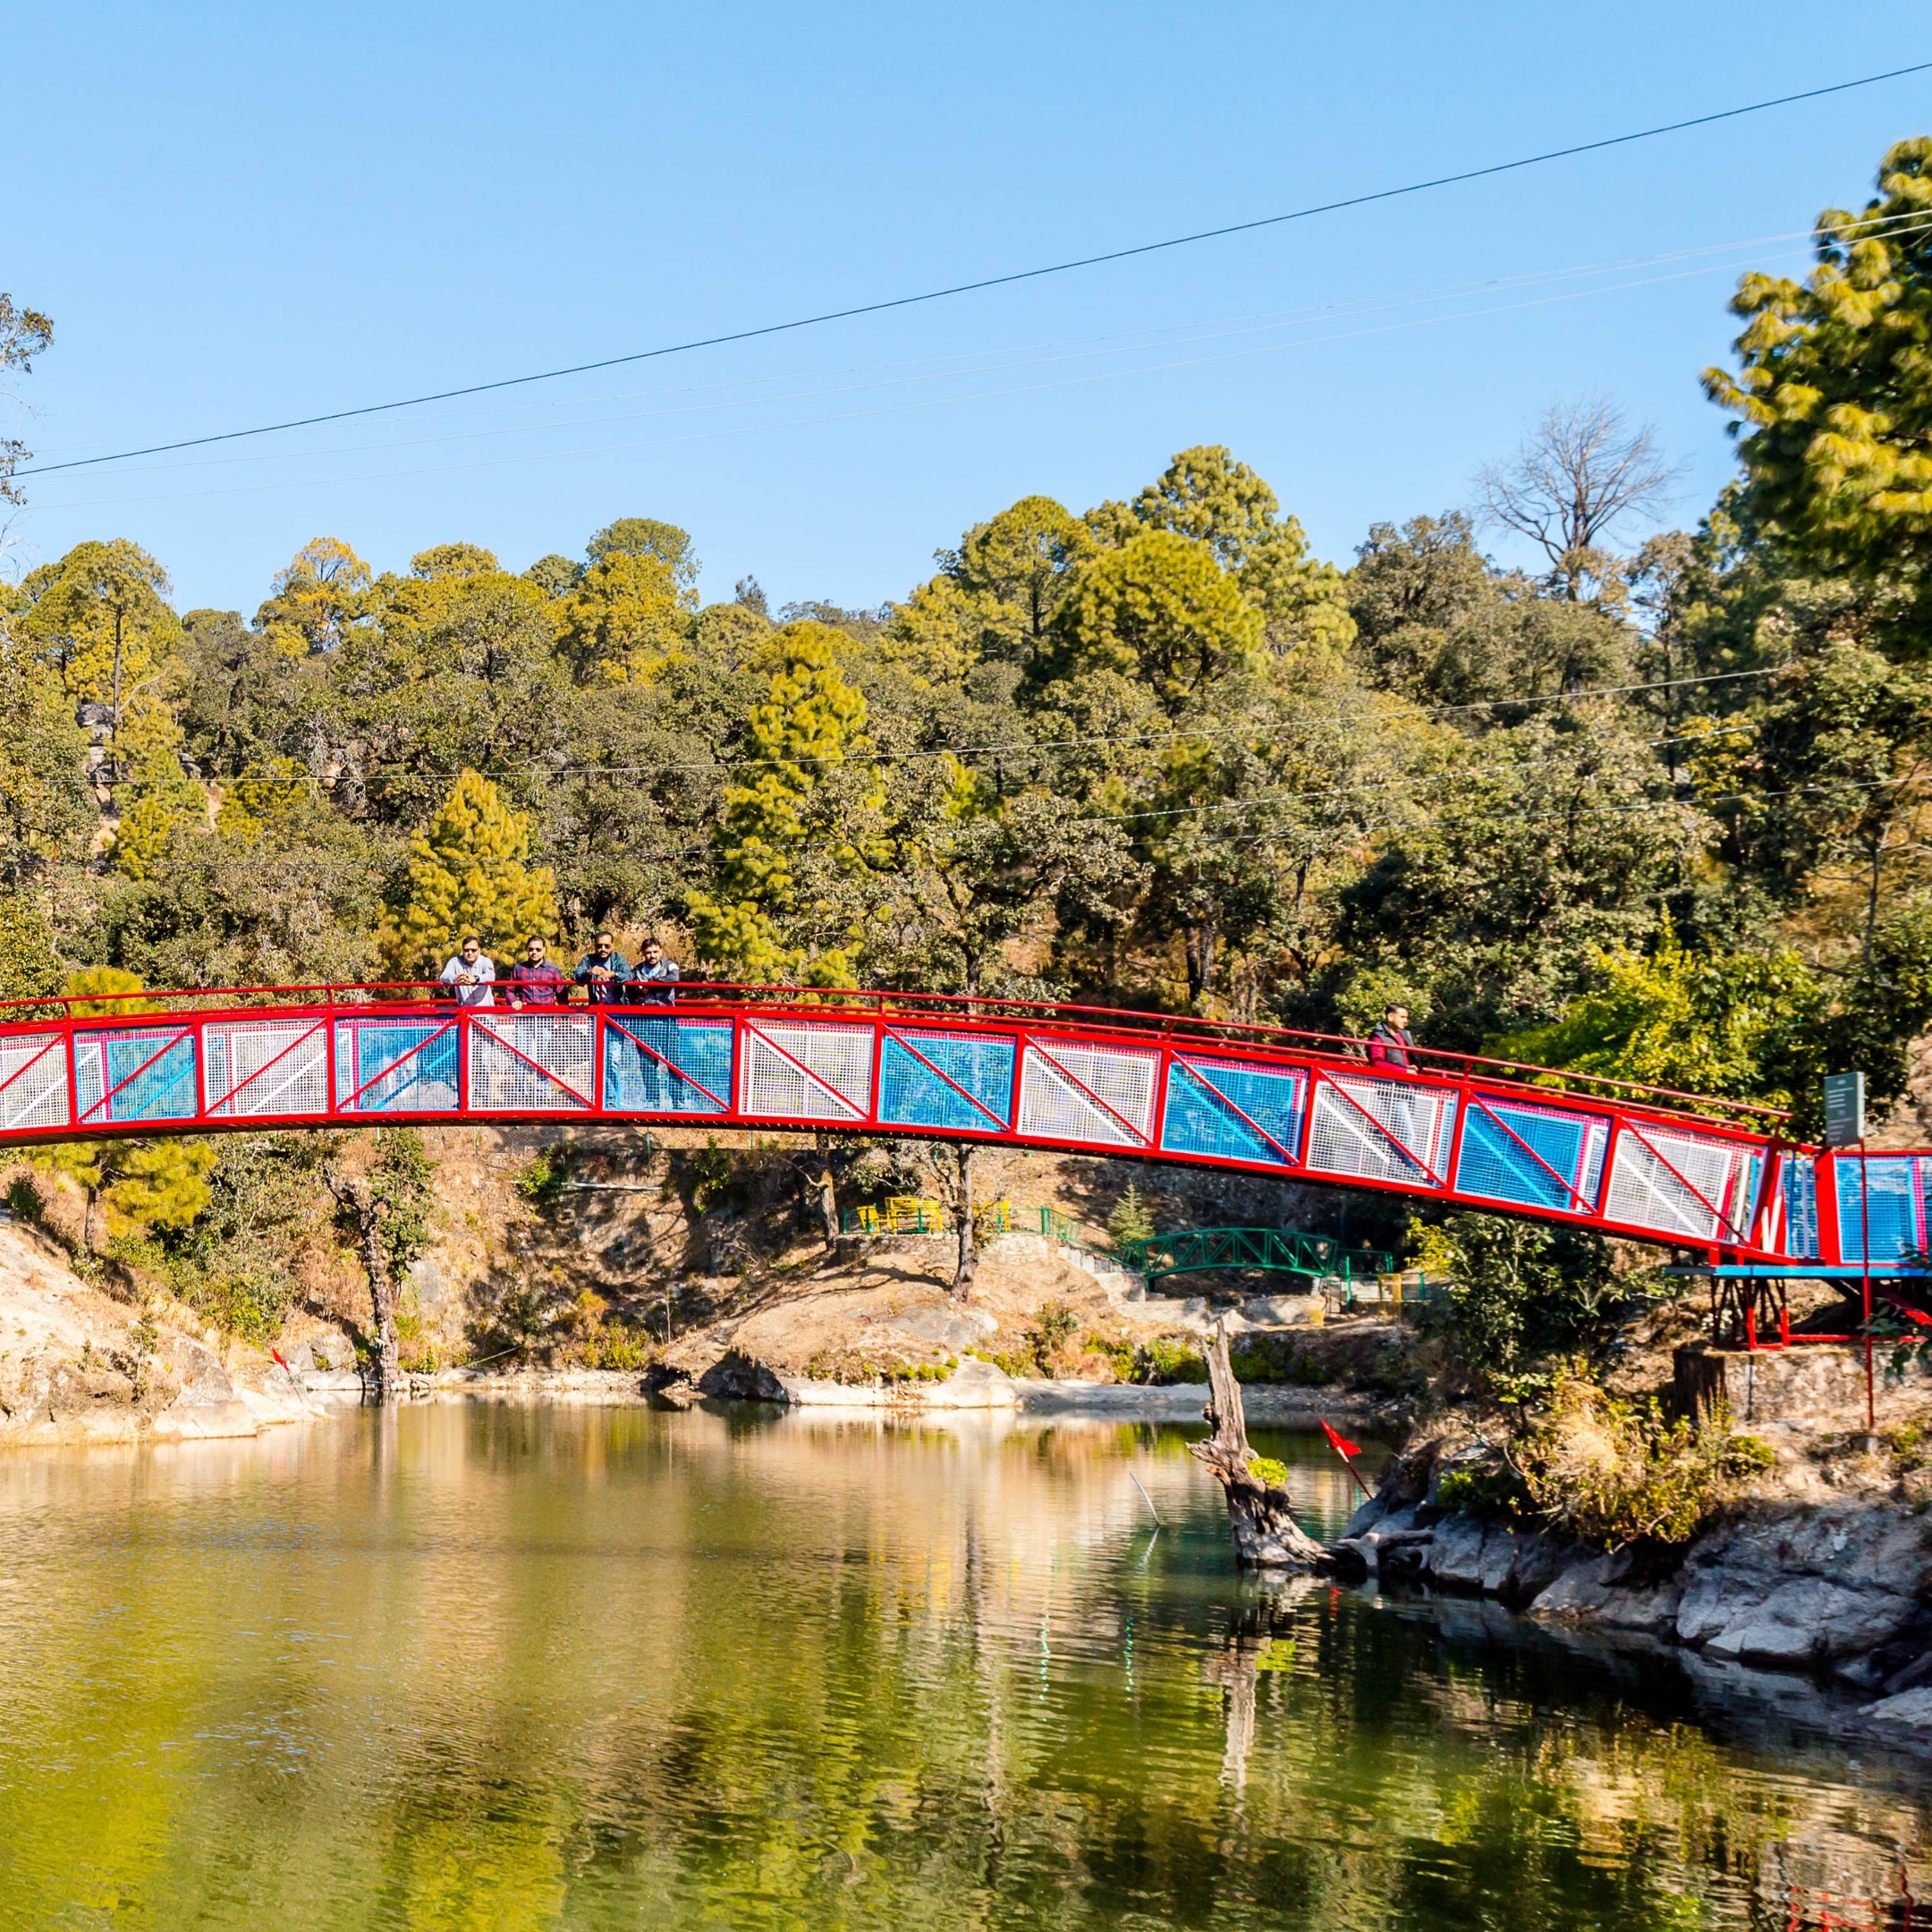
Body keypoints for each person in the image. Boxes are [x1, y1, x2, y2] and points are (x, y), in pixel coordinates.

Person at [506, 935, 566, 1008]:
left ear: (544, 950)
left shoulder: (553, 969)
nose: (534, 952)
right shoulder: (518, 968)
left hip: (546, 1015)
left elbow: (562, 995)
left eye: (538, 949)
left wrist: (565, 1017)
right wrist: (514, 1001)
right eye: (531, 949)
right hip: (525, 1015)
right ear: (526, 949)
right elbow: (510, 990)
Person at [572, 930, 630, 1006]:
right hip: (596, 1008)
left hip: (617, 1008)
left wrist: (613, 974)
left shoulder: (618, 959)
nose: (603, 949)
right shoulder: (589, 960)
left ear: (612, 946)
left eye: (607, 946)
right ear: (595, 945)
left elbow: (629, 975)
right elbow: (576, 975)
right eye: (599, 946)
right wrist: (589, 972)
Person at [438, 935, 496, 1007]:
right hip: (465, 1013)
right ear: (462, 950)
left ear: (479, 950)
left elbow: (491, 976)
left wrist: (475, 979)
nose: (470, 953)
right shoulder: (455, 961)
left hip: (485, 1013)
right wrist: (457, 978)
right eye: (466, 950)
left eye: (473, 950)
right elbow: (443, 976)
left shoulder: (485, 961)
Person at [625, 935, 680, 1007]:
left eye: (655, 952)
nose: (652, 956)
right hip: (644, 1014)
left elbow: (675, 977)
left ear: (661, 952)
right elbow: (630, 996)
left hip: (666, 1013)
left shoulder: (669, 965)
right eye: (648, 953)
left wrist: (653, 982)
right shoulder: (636, 971)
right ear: (643, 953)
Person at [1366, 1003, 1414, 1072]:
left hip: (1405, 1078)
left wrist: (1411, 1067)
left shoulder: (1404, 1035)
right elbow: (1377, 1062)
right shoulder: (1379, 1037)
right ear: (1390, 1017)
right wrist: (1403, 1070)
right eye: (1402, 1017)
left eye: (1406, 1018)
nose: (1406, 1021)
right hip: (1387, 1080)